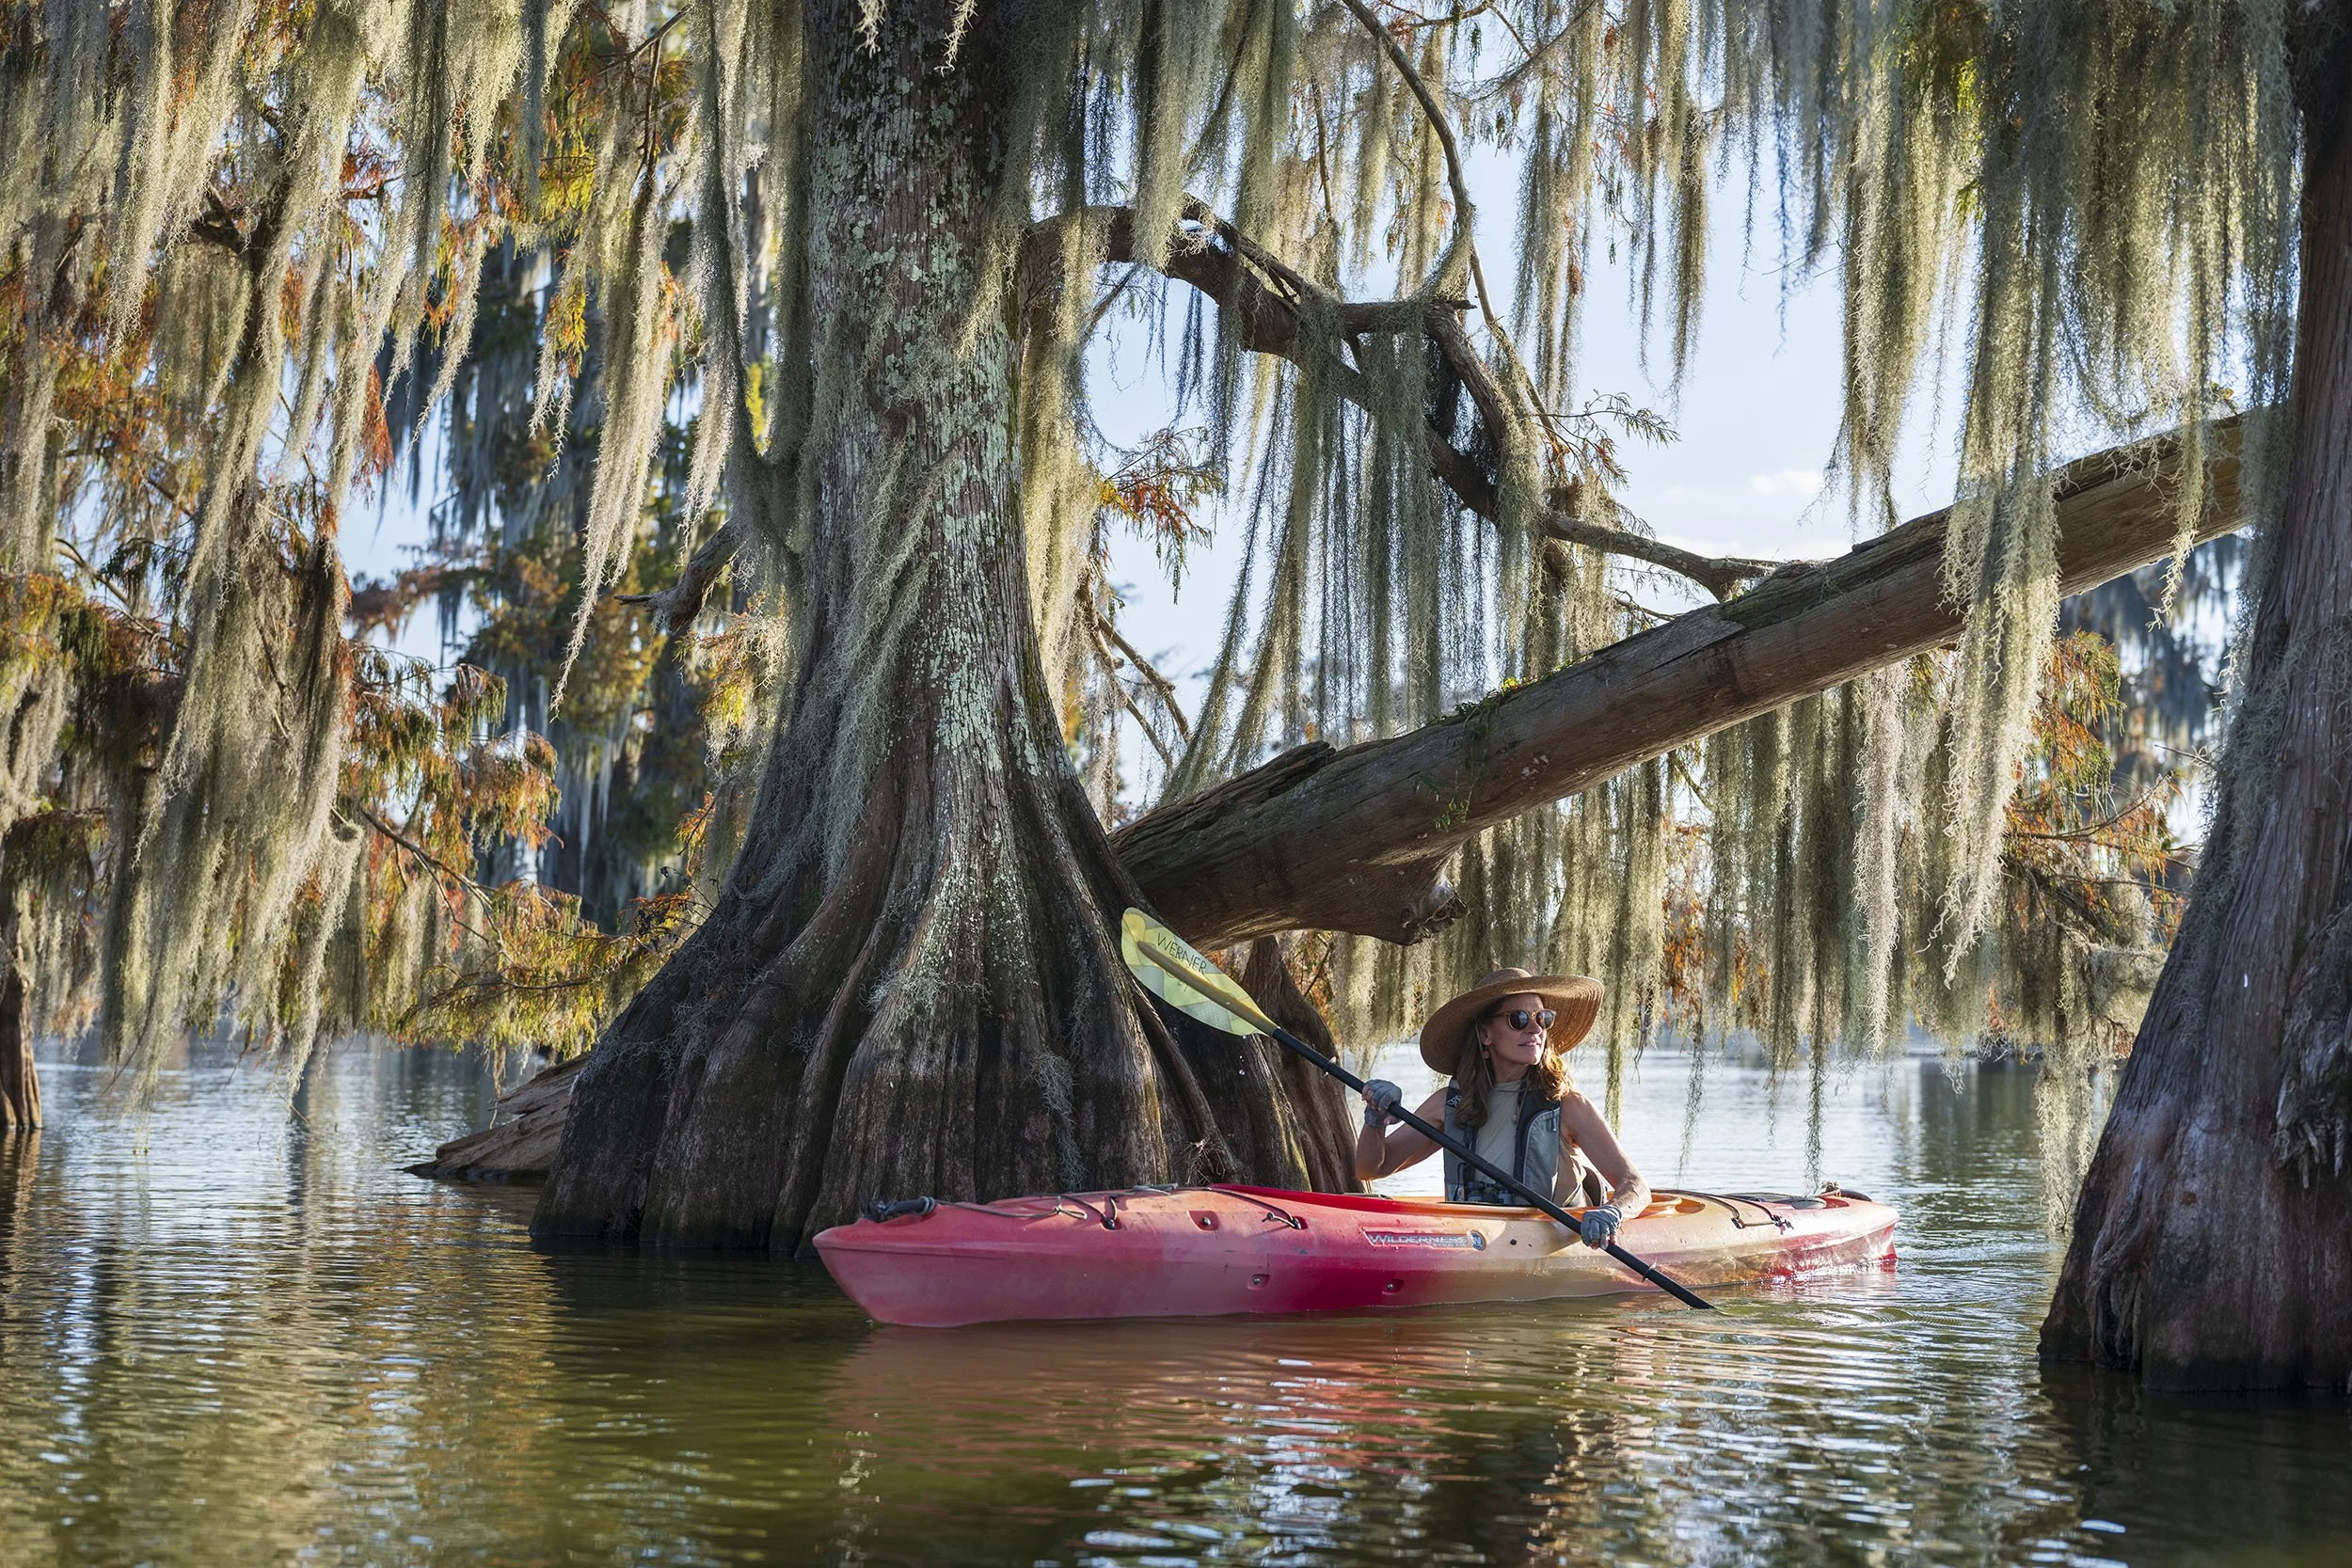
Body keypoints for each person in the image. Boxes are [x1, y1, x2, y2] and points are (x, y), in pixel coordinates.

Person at [1355, 967, 1651, 1250]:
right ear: (1486, 1034)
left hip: (1557, 1242)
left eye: (1543, 1018)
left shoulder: (1569, 1106)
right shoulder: (1449, 1104)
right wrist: (1375, 1119)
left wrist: (1612, 1213)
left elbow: (1635, 1184)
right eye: (1519, 1019)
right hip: (1476, 1241)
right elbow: (1372, 1168)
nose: (1535, 1028)